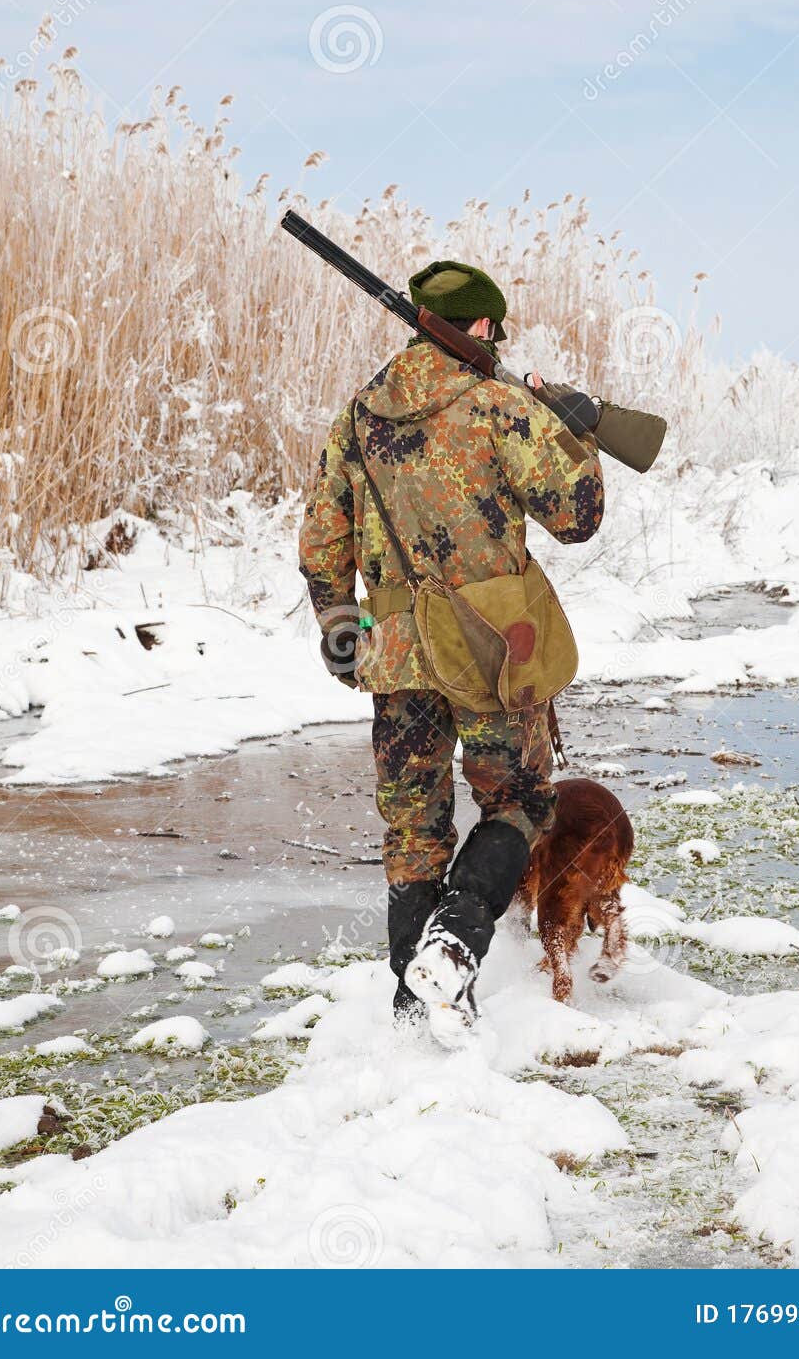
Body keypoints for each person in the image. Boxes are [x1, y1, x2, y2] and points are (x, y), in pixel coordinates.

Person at [298, 258, 604, 1045]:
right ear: (477, 327)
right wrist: (573, 425)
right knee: (522, 799)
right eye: (492, 329)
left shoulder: (360, 412)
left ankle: (414, 1009)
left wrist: (340, 621)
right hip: (492, 647)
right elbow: (577, 516)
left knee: (412, 825)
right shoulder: (502, 407)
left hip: (393, 649)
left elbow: (321, 534)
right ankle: (457, 941)